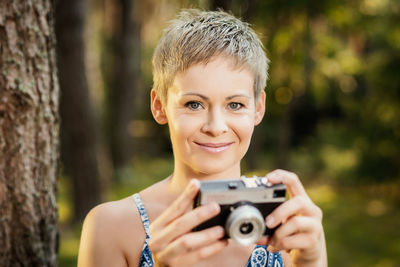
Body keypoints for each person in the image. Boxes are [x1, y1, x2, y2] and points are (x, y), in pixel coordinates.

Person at [77, 9, 327, 267]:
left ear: (258, 108)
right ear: (159, 106)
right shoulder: (111, 227)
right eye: (194, 104)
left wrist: (312, 262)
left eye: (235, 105)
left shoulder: (288, 227)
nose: (215, 127)